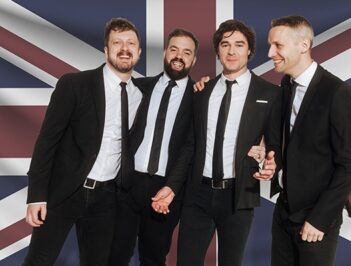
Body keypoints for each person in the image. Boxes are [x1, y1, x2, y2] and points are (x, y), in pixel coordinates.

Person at [152, 19, 281, 266]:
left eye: (239, 45)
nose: (232, 51)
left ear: (250, 51)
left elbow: (275, 146)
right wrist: (172, 187)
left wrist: (270, 161)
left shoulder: (269, 94)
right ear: (218, 51)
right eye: (225, 44)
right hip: (197, 194)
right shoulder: (202, 91)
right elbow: (190, 146)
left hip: (238, 195)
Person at [23, 18, 143, 266]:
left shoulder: (140, 94)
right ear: (106, 49)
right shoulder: (75, 84)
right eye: (117, 42)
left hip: (106, 198)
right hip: (65, 191)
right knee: (39, 261)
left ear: (139, 52)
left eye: (130, 43)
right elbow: (47, 141)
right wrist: (36, 195)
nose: (124, 48)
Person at [265, 15, 351, 266]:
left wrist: (320, 219)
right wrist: (270, 159)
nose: (270, 53)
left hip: (316, 215)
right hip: (284, 211)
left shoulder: (337, 92)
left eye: (278, 45)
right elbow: (284, 142)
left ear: (304, 45)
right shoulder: (285, 85)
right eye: (270, 45)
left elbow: (349, 163)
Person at [108, 28, 198, 266]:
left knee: (153, 258)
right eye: (174, 50)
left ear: (193, 60)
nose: (179, 56)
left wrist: (172, 187)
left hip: (166, 188)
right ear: (165, 52)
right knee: (115, 255)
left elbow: (191, 147)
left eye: (186, 52)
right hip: (128, 184)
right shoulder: (139, 86)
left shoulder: (201, 97)